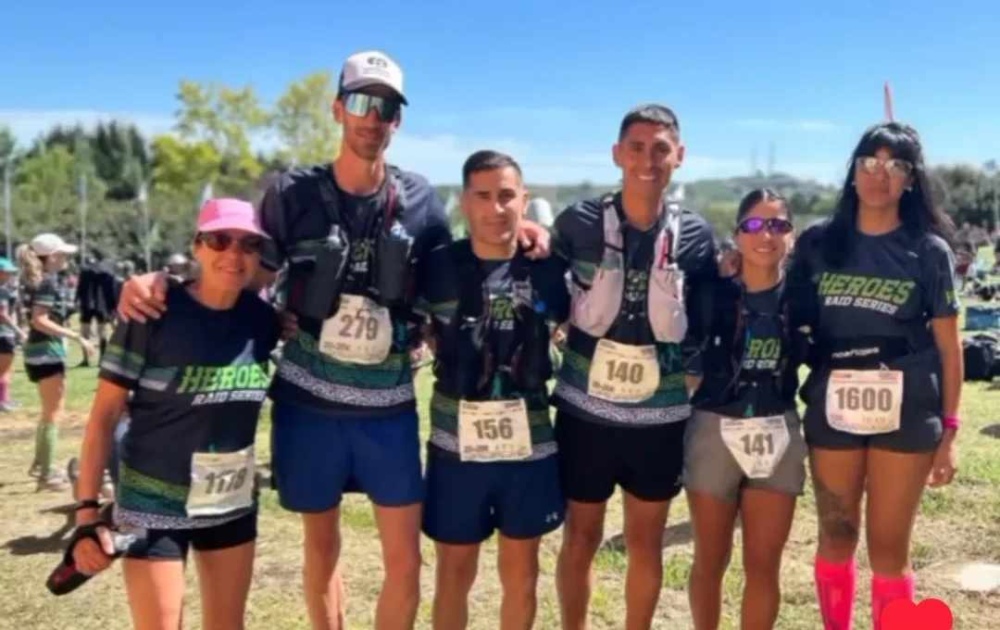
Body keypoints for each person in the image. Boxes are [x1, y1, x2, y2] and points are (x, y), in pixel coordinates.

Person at [117, 51, 548, 630]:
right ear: (338, 109)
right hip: (308, 407)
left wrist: (526, 228)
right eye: (363, 103)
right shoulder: (290, 193)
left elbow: (463, 259)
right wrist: (161, 281)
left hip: (388, 410)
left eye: (388, 107)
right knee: (321, 551)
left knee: (406, 563)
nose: (374, 118)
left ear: (398, 120)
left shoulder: (420, 201)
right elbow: (239, 266)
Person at [71, 198, 278, 630]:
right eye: (219, 240)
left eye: (248, 244)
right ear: (197, 247)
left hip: (231, 501)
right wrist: (87, 514)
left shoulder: (264, 322)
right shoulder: (152, 312)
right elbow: (104, 417)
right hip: (151, 501)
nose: (233, 254)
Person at [786, 122, 962, 630]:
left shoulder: (929, 252)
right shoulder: (819, 244)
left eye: (896, 166)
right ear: (853, 173)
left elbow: (951, 350)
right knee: (836, 535)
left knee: (888, 550)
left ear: (911, 179)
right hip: (832, 402)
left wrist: (950, 432)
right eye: (870, 163)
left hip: (906, 411)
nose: (880, 176)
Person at [550, 104, 717, 630]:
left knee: (646, 543)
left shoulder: (695, 235)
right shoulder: (576, 223)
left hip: (658, 420)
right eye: (638, 147)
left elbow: (708, 317)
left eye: (661, 148)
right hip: (585, 412)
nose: (649, 159)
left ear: (680, 156)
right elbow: (542, 287)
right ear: (617, 154)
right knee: (580, 536)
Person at [419, 151, 568, 629]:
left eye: (507, 196)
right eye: (482, 196)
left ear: (523, 200)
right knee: (453, 575)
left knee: (523, 575)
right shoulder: (437, 267)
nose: (495, 208)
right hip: (455, 447)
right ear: (465, 202)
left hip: (530, 445)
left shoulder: (549, 269)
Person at [682, 189, 808, 629]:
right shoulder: (709, 293)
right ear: (736, 235)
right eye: (754, 225)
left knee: (763, 565)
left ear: (792, 236)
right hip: (713, 428)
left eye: (778, 225)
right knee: (710, 559)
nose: (766, 235)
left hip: (778, 429)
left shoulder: (804, 295)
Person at [16, 234, 96, 490]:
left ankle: (41, 464)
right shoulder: (47, 283)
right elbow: (40, 319)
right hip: (47, 351)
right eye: (62, 254)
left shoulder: (31, 280)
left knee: (47, 412)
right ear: (50, 257)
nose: (66, 259)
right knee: (53, 413)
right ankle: (47, 474)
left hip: (34, 350)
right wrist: (76, 336)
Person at [0, 256, 25, 412]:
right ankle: (2, 401)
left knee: (6, 369)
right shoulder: (2, 290)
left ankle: (5, 399)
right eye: (7, 272)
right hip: (3, 334)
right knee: (4, 369)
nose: (10, 275)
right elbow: (2, 315)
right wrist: (19, 331)